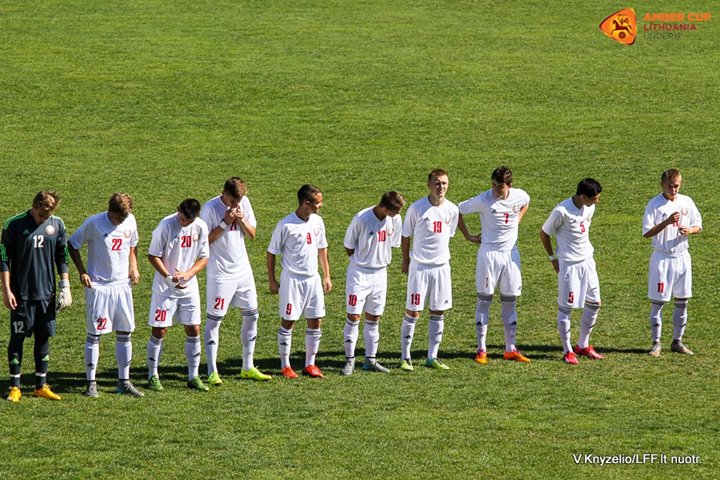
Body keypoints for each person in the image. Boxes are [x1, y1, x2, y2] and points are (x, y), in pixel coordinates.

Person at [68, 193, 143, 397]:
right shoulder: (94, 223)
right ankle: (91, 383)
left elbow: (133, 244)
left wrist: (134, 266)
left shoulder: (130, 220)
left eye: (124, 217)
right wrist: (82, 272)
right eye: (119, 218)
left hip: (122, 285)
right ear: (110, 211)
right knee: (95, 334)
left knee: (125, 332)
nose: (122, 221)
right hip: (99, 286)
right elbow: (72, 244)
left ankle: (124, 382)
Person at [1, 191, 71, 403]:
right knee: (18, 337)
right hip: (21, 294)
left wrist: (65, 286)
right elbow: (4, 259)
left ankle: (41, 386)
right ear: (34, 206)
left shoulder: (57, 224)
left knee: (43, 337)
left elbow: (62, 256)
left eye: (47, 216)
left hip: (46, 294)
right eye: (41, 215)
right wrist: (6, 290)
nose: (43, 219)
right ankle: (15, 387)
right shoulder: (14, 224)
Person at [457, 166, 531, 365]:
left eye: (500, 187)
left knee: (510, 301)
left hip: (511, 255)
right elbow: (457, 211)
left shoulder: (519, 195)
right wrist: (468, 236)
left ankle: (510, 348)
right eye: (494, 185)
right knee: (485, 301)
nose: (495, 190)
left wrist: (517, 220)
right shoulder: (484, 199)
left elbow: (526, 202)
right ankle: (481, 349)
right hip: (489, 255)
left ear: (509, 185)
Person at [201, 177, 271, 385]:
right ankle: (212, 371)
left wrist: (240, 220)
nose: (236, 204)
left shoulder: (243, 203)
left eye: (238, 201)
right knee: (215, 320)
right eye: (233, 201)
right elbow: (203, 242)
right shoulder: (210, 208)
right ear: (224, 193)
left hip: (243, 272)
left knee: (252, 316)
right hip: (220, 274)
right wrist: (225, 223)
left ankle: (247, 367)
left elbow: (252, 234)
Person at [267, 184, 332, 378]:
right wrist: (272, 280)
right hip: (292, 280)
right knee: (289, 321)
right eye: (318, 202)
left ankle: (310, 364)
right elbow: (271, 253)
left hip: (313, 279)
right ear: (306, 203)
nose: (321, 205)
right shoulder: (285, 225)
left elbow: (322, 248)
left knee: (316, 320)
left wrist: (326, 275)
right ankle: (285, 365)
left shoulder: (318, 221)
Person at [146, 199, 210, 392]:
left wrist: (189, 273)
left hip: (189, 288)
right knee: (160, 330)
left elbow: (204, 257)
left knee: (194, 329)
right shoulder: (166, 226)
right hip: (165, 289)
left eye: (188, 221)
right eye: (182, 219)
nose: (184, 223)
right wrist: (168, 276)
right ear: (178, 211)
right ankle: (152, 375)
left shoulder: (200, 227)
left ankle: (193, 376)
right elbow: (153, 255)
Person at [399, 169, 459, 371]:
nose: (441, 187)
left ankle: (432, 356)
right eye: (437, 183)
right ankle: (405, 357)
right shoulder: (417, 208)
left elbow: (449, 234)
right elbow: (405, 235)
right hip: (420, 268)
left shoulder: (452, 210)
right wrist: (405, 260)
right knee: (413, 311)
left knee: (438, 311)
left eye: (444, 183)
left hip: (442, 268)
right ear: (429, 185)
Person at [540, 178, 604, 365]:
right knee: (566, 308)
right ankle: (567, 350)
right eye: (594, 198)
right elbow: (544, 233)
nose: (597, 201)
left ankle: (583, 345)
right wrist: (553, 258)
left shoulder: (590, 208)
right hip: (569, 265)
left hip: (588, 262)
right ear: (583, 197)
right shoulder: (561, 211)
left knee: (595, 303)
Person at [341, 192, 405, 376]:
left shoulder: (395, 219)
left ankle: (370, 359)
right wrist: (362, 261)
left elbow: (392, 243)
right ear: (385, 208)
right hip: (359, 275)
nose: (398, 214)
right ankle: (350, 360)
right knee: (354, 316)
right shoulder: (362, 218)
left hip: (380, 274)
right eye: (396, 210)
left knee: (374, 317)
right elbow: (348, 246)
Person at [642, 169, 702, 356]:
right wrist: (667, 222)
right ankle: (656, 343)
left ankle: (677, 341)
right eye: (670, 186)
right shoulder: (654, 204)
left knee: (682, 302)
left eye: (676, 186)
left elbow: (698, 226)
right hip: (662, 258)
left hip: (682, 258)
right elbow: (647, 233)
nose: (673, 189)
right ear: (662, 184)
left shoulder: (687, 201)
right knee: (658, 302)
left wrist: (689, 230)